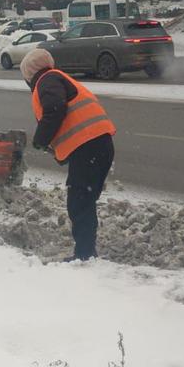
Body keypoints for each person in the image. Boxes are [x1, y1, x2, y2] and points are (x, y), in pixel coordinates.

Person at [20, 49, 116, 261]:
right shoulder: (58, 78)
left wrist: (40, 139)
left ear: (29, 73)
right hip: (100, 144)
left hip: (89, 147)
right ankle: (87, 251)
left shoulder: (47, 79)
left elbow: (55, 108)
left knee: (79, 202)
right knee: (85, 200)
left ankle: (84, 255)